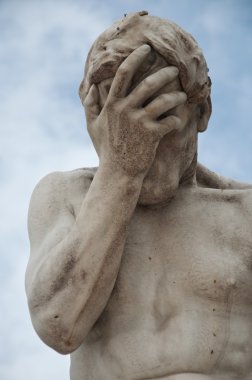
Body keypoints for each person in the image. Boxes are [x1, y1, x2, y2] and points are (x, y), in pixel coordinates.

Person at [25, 11, 252, 380]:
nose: (143, 149)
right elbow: (58, 324)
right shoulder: (66, 195)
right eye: (125, 128)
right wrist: (121, 170)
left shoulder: (244, 214)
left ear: (203, 112)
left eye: (161, 127)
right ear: (94, 119)